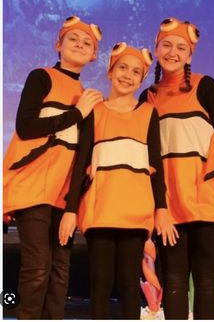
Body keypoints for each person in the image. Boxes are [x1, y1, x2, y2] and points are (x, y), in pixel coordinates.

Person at [59, 43, 178, 320]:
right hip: (101, 209)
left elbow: (156, 164)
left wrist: (161, 208)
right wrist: (70, 209)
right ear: (110, 71)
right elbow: (80, 164)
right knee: (99, 285)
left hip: (136, 211)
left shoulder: (148, 112)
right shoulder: (95, 111)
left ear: (142, 78)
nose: (128, 75)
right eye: (122, 67)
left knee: (128, 285)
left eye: (136, 71)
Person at [3, 15, 103, 319]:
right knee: (37, 268)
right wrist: (76, 113)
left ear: (94, 55)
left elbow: (82, 158)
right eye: (73, 39)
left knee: (60, 270)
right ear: (58, 44)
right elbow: (26, 127)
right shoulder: (41, 77)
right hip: (32, 187)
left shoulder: (90, 98)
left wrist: (73, 206)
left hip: (63, 195)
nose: (79, 45)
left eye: (87, 43)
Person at [140, 17, 214, 320]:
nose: (173, 52)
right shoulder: (147, 98)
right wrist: (157, 207)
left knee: (207, 279)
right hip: (168, 206)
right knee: (174, 279)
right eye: (166, 45)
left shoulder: (207, 87)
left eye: (181, 47)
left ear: (190, 55)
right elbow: (146, 159)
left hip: (210, 200)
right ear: (156, 48)